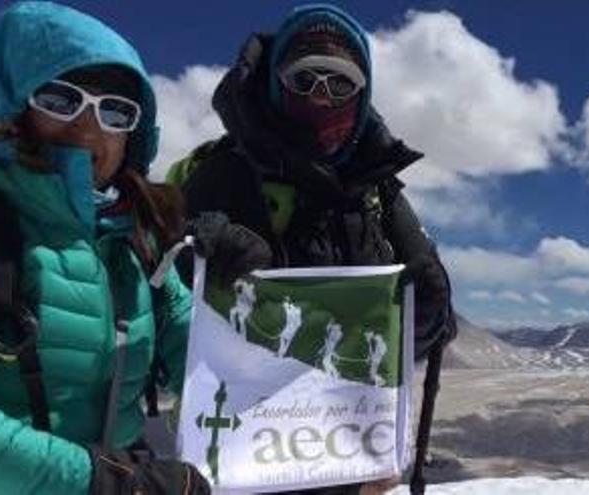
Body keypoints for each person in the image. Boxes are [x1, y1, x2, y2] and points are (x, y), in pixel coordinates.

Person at [171, 4, 457, 493]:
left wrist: (426, 316)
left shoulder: (377, 191)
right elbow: (158, 309)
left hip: (344, 465)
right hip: (245, 465)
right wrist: (194, 262)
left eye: (340, 83)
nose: (322, 97)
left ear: (363, 93)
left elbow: (393, 341)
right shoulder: (220, 175)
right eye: (305, 80)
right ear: (276, 84)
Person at [0, 3, 211, 494]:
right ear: (10, 104)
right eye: (60, 98)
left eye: (115, 111)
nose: (89, 128)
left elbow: (207, 359)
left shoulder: (134, 241)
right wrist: (103, 481)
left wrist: (237, 295)